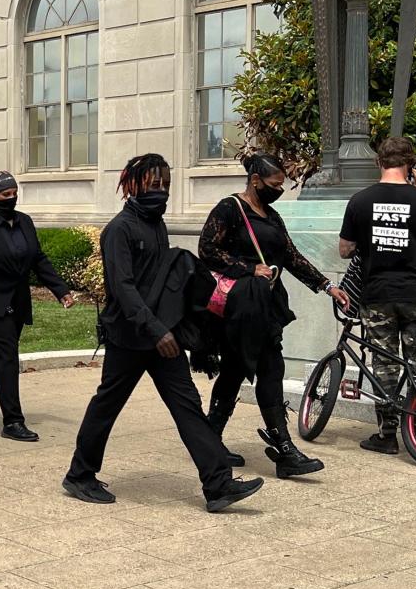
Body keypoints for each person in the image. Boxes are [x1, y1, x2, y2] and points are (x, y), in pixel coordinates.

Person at [62, 154, 264, 512]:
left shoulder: (156, 225)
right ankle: (80, 475)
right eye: (155, 184)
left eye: (166, 185)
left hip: (162, 337)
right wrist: (155, 329)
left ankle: (218, 486)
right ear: (134, 185)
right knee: (107, 405)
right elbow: (123, 289)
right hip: (130, 336)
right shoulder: (119, 230)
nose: (162, 191)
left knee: (187, 406)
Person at [199, 153, 348, 478]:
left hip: (265, 308)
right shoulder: (230, 208)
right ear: (255, 181)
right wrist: (249, 268)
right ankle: (278, 449)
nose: (280, 189)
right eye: (274, 184)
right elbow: (207, 248)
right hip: (239, 308)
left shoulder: (272, 216)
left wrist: (326, 286)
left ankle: (224, 441)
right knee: (250, 369)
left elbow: (291, 256)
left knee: (255, 369)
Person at [339, 137, 416, 454]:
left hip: (377, 295)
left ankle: (387, 435)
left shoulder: (360, 201)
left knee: (385, 365)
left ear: (379, 162)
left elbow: (344, 249)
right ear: (410, 165)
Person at [0, 171, 76, 441]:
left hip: (16, 301)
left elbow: (38, 260)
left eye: (14, 193)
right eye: (5, 194)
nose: (12, 198)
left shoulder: (25, 222)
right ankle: (13, 421)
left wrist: (61, 290)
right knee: (7, 356)